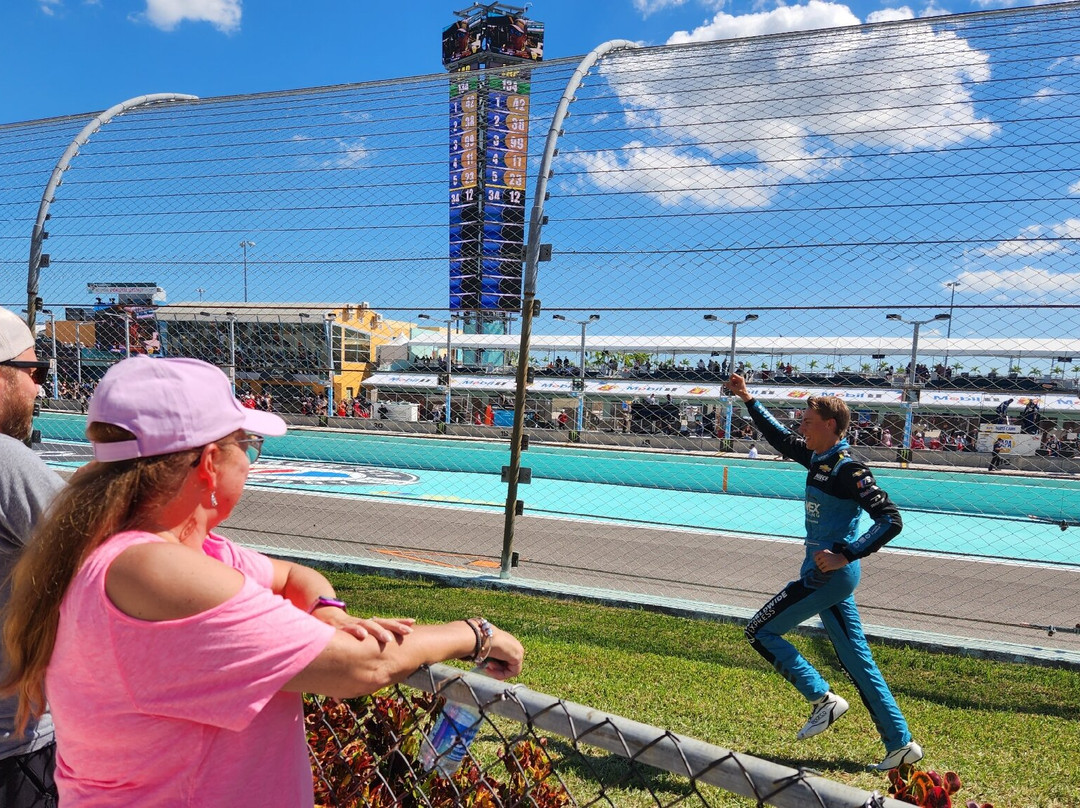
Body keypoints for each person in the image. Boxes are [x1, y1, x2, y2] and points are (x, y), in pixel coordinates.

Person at [1, 356, 524, 807]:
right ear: (209, 463)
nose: (250, 464)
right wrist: (475, 632)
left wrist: (329, 612)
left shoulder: (153, 549)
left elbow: (297, 575)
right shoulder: (152, 571)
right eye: (246, 446)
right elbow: (365, 665)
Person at [726, 373, 922, 772]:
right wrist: (748, 399)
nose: (801, 428)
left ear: (830, 426)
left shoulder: (849, 469)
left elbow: (890, 519)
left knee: (760, 630)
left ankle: (822, 699)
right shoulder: (818, 459)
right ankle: (901, 743)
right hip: (828, 577)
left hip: (828, 576)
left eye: (808, 422)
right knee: (858, 662)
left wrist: (845, 555)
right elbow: (779, 437)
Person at [0, 308, 63, 807]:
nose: (38, 388)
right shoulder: (6, 461)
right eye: (33, 371)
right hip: (14, 745)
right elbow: (115, 558)